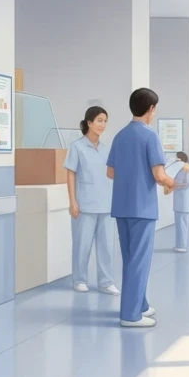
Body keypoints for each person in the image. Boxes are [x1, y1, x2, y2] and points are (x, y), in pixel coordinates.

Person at [106, 88, 175, 328]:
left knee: (130, 259)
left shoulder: (120, 135)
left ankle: (141, 304)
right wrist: (172, 182)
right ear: (151, 108)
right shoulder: (150, 136)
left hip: (121, 206)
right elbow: (159, 175)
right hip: (142, 208)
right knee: (140, 260)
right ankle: (130, 315)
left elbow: (110, 172)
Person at [64, 105, 119, 296]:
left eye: (105, 121)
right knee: (82, 245)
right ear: (89, 122)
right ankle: (79, 279)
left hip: (106, 204)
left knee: (106, 247)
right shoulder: (76, 147)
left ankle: (106, 282)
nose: (102, 125)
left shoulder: (106, 149)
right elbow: (70, 175)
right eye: (99, 120)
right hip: (84, 205)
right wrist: (72, 201)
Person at [166, 150, 189, 252]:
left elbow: (187, 184)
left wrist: (175, 185)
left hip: (184, 203)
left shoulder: (185, 170)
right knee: (179, 226)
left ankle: (182, 246)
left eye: (177, 158)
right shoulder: (179, 171)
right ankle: (179, 245)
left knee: (182, 226)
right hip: (179, 203)